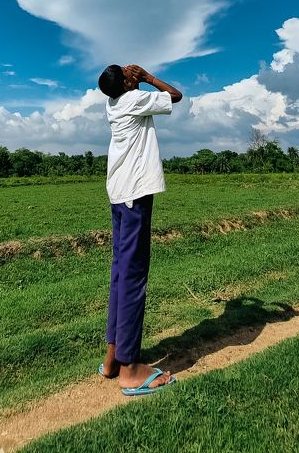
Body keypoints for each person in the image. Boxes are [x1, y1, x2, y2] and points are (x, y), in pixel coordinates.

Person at [96, 62, 183, 395]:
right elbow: (175, 96)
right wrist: (148, 78)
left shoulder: (114, 103)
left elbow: (127, 89)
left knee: (120, 274)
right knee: (133, 277)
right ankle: (130, 369)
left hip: (119, 194)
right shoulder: (134, 100)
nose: (133, 75)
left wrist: (131, 81)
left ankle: (112, 360)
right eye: (127, 74)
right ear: (127, 84)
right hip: (134, 195)